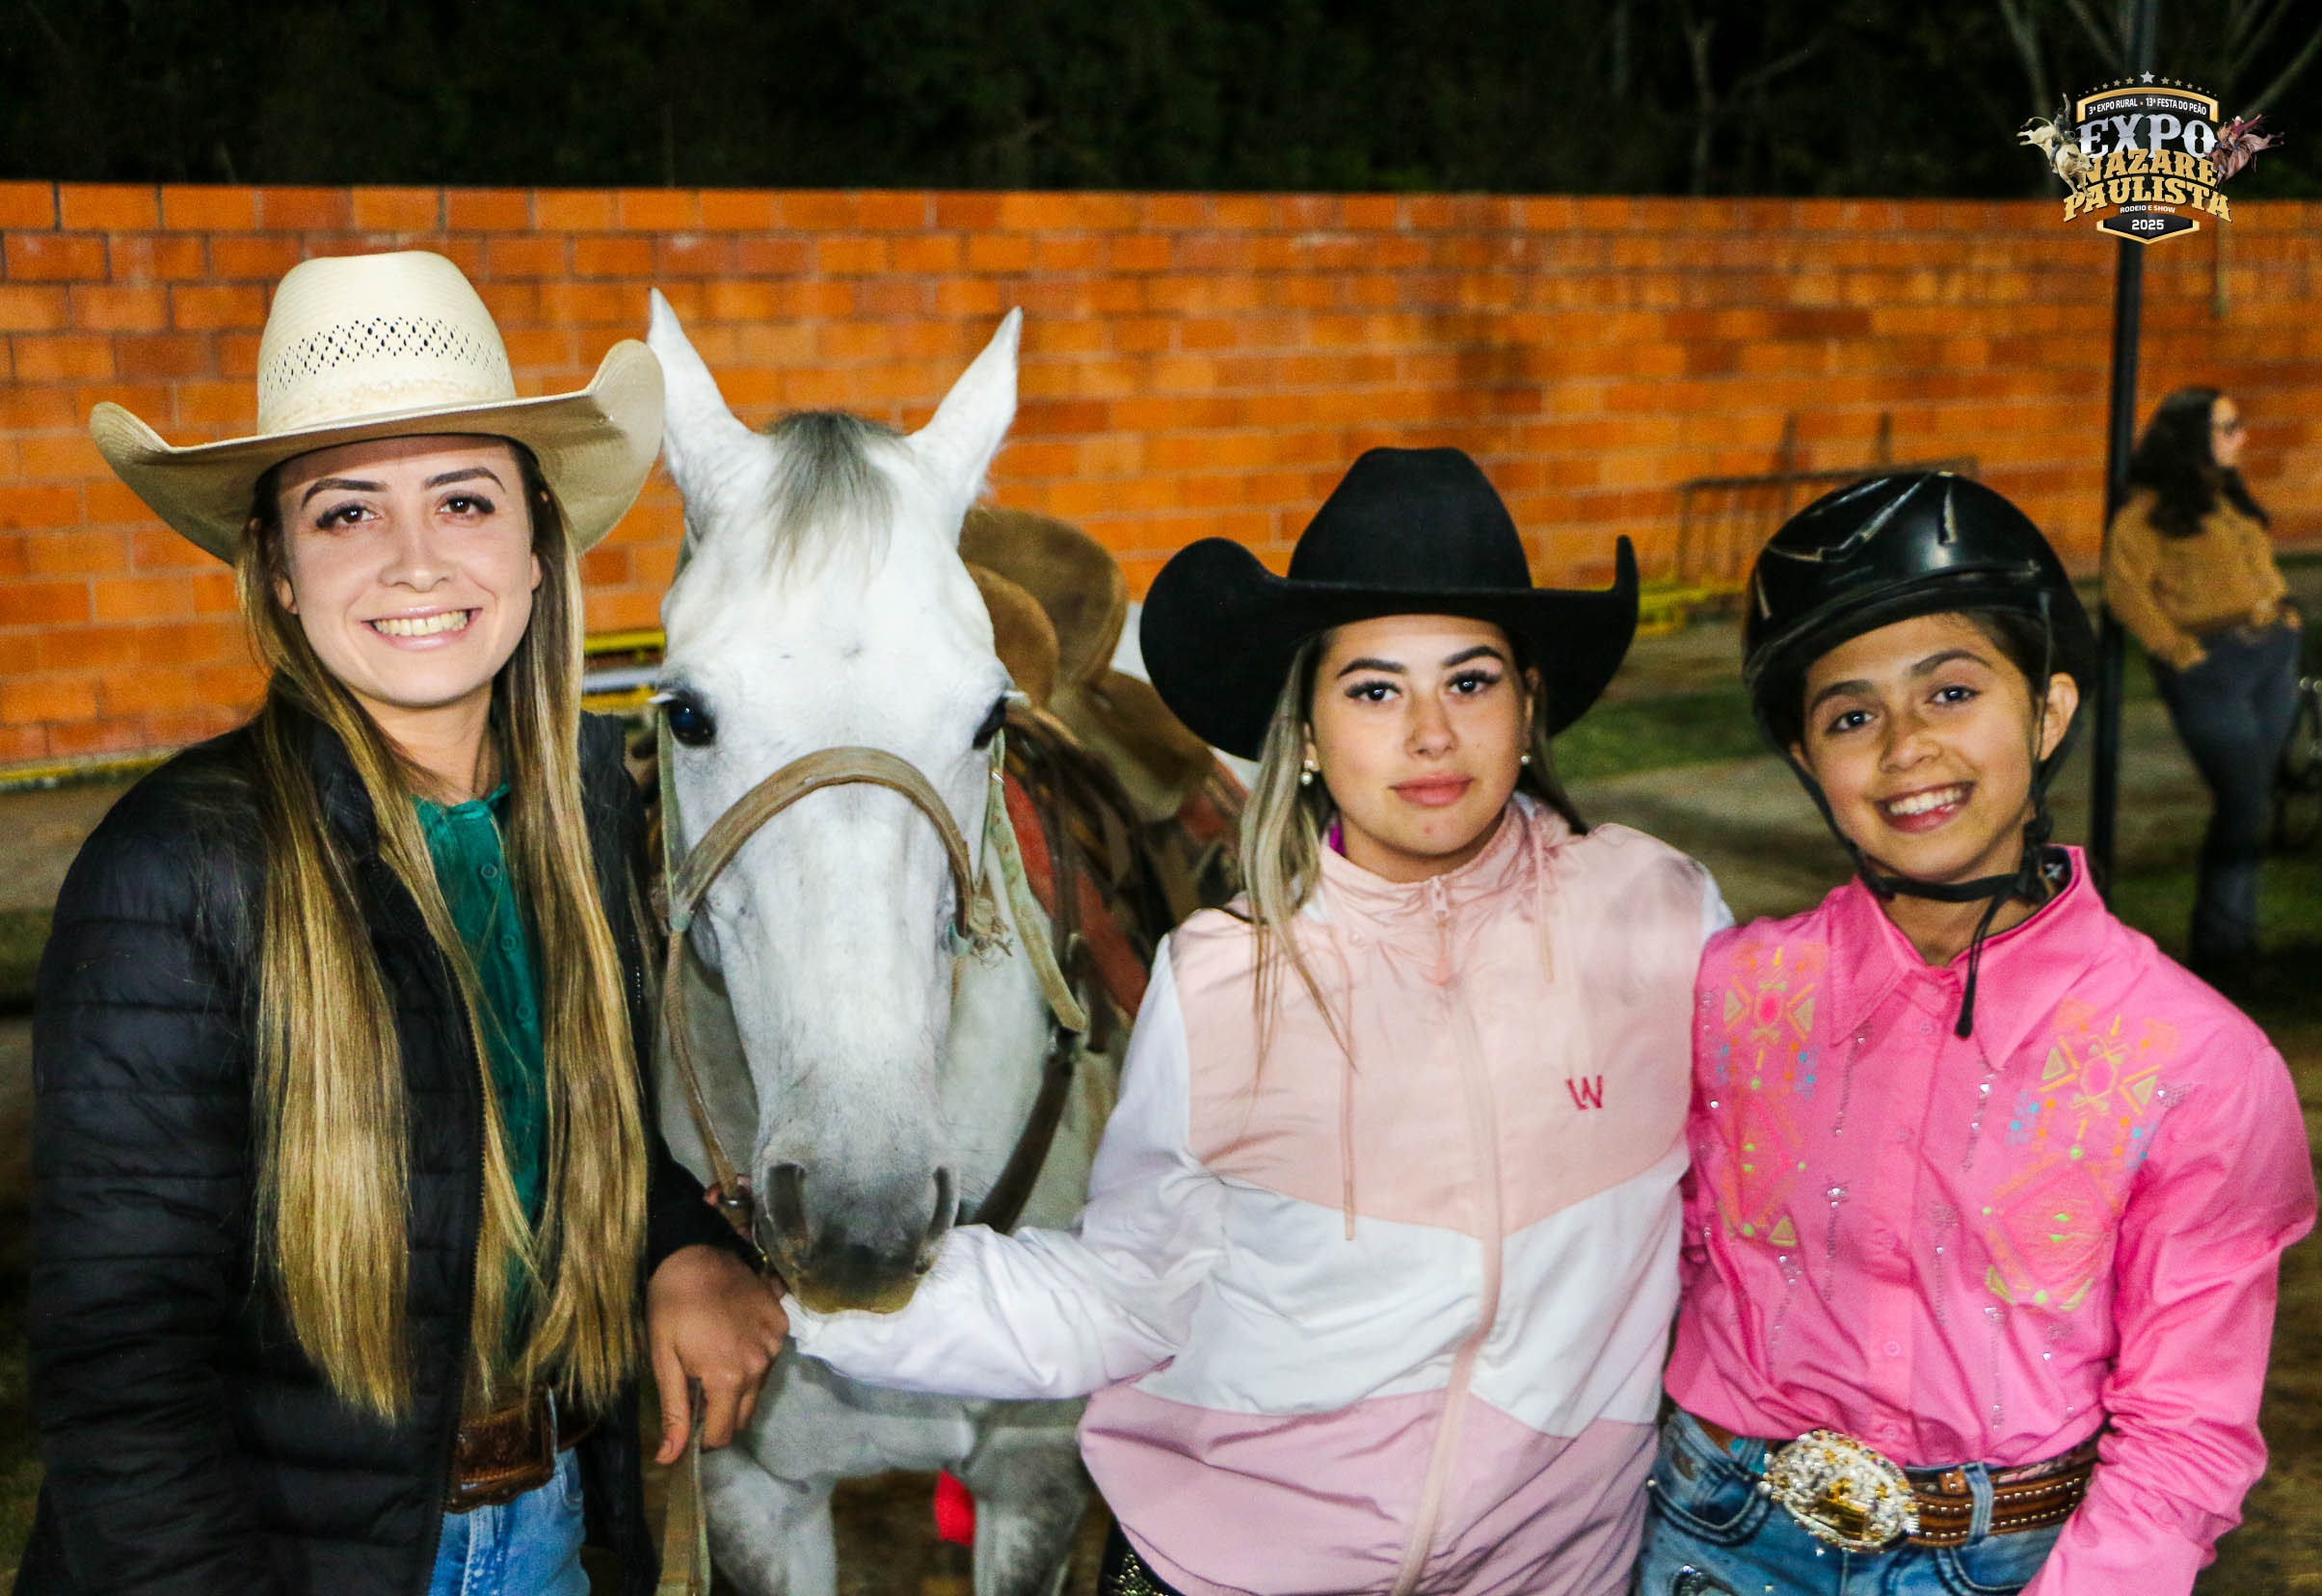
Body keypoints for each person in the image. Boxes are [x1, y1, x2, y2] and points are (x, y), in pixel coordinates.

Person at [775, 447, 1728, 1596]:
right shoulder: (1226, 979)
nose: (1430, 732)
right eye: (1375, 689)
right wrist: (801, 1296)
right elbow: (1132, 1284)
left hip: (1554, 1574)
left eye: (1470, 682)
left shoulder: (1657, 915)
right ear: (1312, 735)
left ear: (1528, 708)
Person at [23, 251, 787, 1596]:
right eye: (344, 513)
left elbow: (548, 1124)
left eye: (464, 498)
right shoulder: (182, 869)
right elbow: (124, 1364)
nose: (417, 559)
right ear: (273, 568)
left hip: (549, 1525)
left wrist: (678, 1244)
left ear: (538, 548)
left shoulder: (594, 817)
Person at [1641, 473, 2315, 1596]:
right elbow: (1682, 1254)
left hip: (2020, 1558)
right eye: (1851, 716)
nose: (1906, 747)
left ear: (2049, 712)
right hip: (1720, 1532)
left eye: (1951, 693)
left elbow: (2187, 1429)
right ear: (1810, 764)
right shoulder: (1732, 994)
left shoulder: (2196, 1066)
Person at [2101, 386, 2303, 977]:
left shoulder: (2227, 497)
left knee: (2256, 800)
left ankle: (2235, 942)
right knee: (2241, 801)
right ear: (2192, 437)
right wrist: (2179, 651)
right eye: (2227, 426)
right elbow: (2124, 590)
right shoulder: (2149, 512)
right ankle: (2222, 949)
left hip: (2269, 655)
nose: (2241, 436)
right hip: (2212, 669)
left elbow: (2256, 566)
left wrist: (2284, 612)